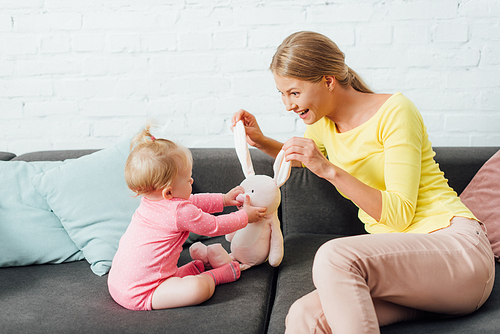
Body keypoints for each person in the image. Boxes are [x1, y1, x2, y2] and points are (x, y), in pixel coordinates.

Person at [232, 31, 495, 333]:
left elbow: (399, 215)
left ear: (328, 81)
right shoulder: (322, 124)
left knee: (334, 256)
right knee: (302, 316)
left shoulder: (395, 111)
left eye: (293, 93)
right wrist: (260, 140)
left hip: (456, 252)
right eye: (281, 94)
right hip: (409, 276)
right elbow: (304, 159)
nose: (287, 105)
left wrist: (329, 169)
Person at [108, 124, 266, 311]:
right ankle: (216, 276)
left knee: (172, 275)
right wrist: (244, 217)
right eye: (188, 178)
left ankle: (186, 272)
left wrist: (224, 199)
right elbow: (214, 225)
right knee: (199, 289)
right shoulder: (179, 212)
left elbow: (193, 201)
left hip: (118, 285)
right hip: (144, 293)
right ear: (168, 192)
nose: (192, 181)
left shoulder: (151, 202)